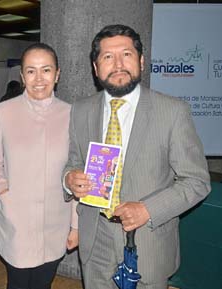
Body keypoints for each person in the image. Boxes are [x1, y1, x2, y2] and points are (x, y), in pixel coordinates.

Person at [63, 24, 211, 289]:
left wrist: (147, 210)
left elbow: (196, 181)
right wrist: (69, 179)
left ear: (141, 61)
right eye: (108, 57)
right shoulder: (81, 111)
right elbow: (74, 160)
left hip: (148, 245)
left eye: (127, 54)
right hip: (95, 243)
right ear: (96, 68)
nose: (118, 64)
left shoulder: (172, 112)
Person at [0, 43, 78, 289]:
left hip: (56, 221)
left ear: (57, 74)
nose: (39, 79)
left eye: (46, 70)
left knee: (43, 283)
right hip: (17, 219)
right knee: (18, 283)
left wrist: (76, 224)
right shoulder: (4, 112)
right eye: (31, 71)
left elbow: (77, 171)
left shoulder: (72, 114)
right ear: (22, 76)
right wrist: (4, 193)